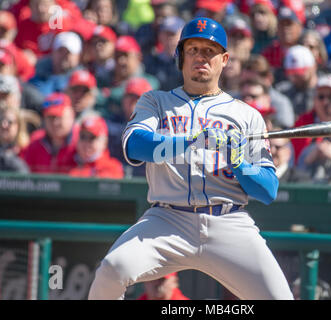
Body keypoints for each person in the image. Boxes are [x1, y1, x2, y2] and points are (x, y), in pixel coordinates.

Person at [88, 17, 293, 300]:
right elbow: (135, 147)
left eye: (209, 51)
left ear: (224, 59)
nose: (201, 56)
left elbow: (268, 190)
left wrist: (239, 163)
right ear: (180, 57)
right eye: (193, 49)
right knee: (112, 269)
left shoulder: (247, 115)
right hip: (167, 219)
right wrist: (191, 141)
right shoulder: (155, 102)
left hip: (229, 222)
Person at [292, 73, 331, 163]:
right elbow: (295, 160)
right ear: (314, 99)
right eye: (321, 97)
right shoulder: (302, 123)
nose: (325, 102)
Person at [22, 92, 78, 174]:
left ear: (72, 115)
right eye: (50, 117)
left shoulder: (84, 139)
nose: (55, 123)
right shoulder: (35, 141)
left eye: (59, 117)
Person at [29, 31, 83, 97]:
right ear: (53, 52)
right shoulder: (37, 73)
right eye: (60, 51)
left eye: (68, 52)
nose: (64, 56)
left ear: (78, 56)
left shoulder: (83, 82)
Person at [69, 114, 124, 179]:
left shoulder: (112, 167)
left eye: (92, 138)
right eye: (83, 137)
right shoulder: (66, 159)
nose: (86, 142)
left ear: (104, 142)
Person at [275, 45, 318, 119]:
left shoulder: (326, 89)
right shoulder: (283, 91)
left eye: (300, 73)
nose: (295, 78)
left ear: (313, 67)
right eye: (292, 74)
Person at [0, 105, 30, 173]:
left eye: (9, 122)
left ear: (18, 126)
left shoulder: (27, 150)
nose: (3, 125)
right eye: (1, 120)